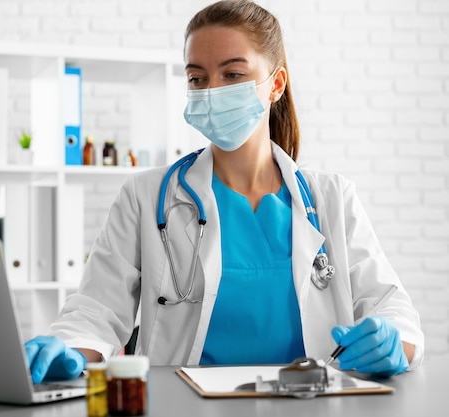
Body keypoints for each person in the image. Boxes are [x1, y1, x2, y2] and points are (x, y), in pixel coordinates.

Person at [24, 0, 424, 383]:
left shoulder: (331, 199)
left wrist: (393, 340)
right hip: (182, 404)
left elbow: (390, 305)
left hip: (308, 402)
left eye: (232, 75)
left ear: (276, 84)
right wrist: (69, 347)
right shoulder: (146, 197)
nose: (212, 91)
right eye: (197, 77)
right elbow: (96, 309)